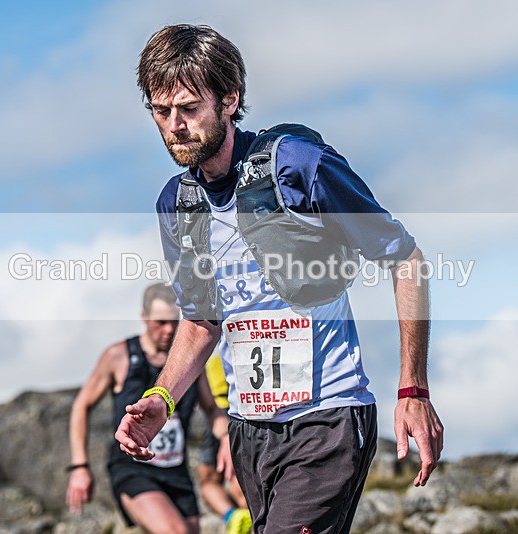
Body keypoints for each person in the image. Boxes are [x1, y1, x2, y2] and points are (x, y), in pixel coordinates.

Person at [116, 25, 444, 534]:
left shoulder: (298, 165)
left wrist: (413, 390)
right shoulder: (176, 204)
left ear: (230, 99)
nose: (174, 126)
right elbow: (203, 319)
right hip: (250, 432)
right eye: (161, 112)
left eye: (188, 108)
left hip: (327, 420)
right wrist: (162, 398)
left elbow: (405, 259)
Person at [67, 283, 232, 534]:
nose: (168, 330)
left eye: (173, 323)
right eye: (160, 322)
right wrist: (80, 467)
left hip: (176, 471)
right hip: (133, 469)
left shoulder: (187, 366)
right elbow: (82, 405)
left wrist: (226, 438)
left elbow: (211, 410)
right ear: (144, 318)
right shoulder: (119, 356)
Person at [197, 355, 252, 534]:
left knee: (209, 479)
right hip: (242, 415)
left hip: (217, 417)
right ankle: (241, 515)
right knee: (241, 479)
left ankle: (232, 515)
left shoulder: (215, 359)